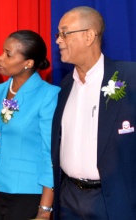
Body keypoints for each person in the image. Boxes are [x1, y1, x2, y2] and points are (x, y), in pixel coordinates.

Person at [51, 6, 136, 220]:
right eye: (58, 34)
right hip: (68, 199)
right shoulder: (65, 86)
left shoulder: (129, 77)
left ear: (88, 36)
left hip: (113, 201)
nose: (58, 41)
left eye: (64, 33)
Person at [0, 30, 60, 220]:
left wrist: (45, 209)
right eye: (3, 51)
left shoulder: (49, 94)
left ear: (28, 63)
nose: (0, 58)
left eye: (8, 54)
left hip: (28, 193)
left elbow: (50, 153)